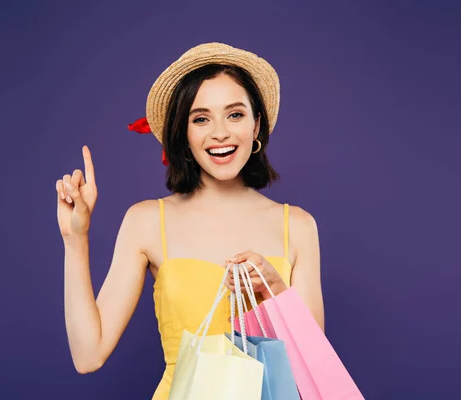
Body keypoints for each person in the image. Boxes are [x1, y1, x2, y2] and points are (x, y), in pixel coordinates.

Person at [55, 42, 325, 399]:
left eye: (235, 114)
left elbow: (314, 371)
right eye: (201, 118)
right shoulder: (147, 221)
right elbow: (88, 356)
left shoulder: (298, 226)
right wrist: (76, 240)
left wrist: (273, 288)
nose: (220, 133)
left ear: (256, 124)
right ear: (183, 132)